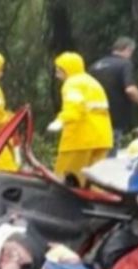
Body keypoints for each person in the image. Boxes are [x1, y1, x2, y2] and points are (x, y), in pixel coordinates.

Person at [47, 52, 113, 186]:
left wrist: (60, 121)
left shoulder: (72, 84)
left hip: (80, 139)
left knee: (66, 179)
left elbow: (75, 108)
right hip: (102, 138)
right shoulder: (92, 82)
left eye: (59, 70)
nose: (57, 74)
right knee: (96, 181)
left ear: (67, 68)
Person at [89, 36, 138, 154]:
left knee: (96, 155)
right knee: (110, 154)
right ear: (128, 49)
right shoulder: (124, 64)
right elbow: (130, 89)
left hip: (93, 117)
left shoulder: (95, 65)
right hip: (114, 118)